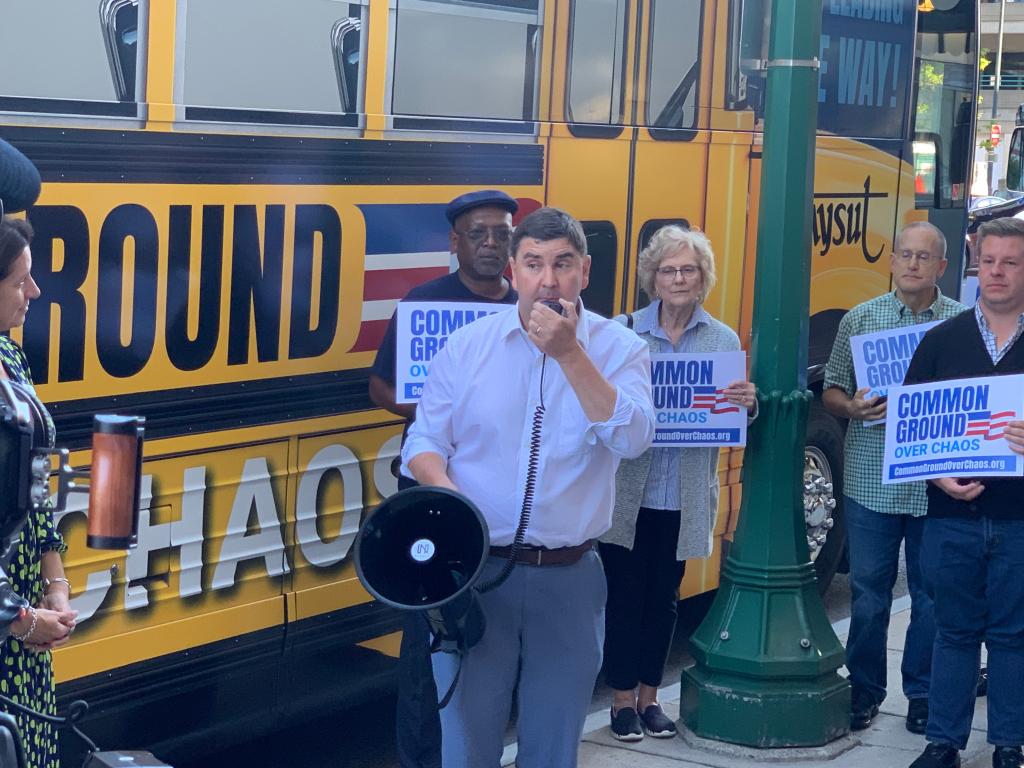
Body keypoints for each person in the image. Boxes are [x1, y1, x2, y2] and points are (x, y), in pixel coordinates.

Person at [401, 207, 654, 768]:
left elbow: (633, 437)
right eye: (534, 264)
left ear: (585, 273)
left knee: (552, 745)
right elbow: (421, 443)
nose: (548, 279)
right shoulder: (468, 347)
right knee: (466, 744)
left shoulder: (620, 349)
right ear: (512, 271)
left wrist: (570, 354)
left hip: (568, 574)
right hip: (475, 574)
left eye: (562, 264)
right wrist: (453, 501)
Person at [367, 190, 519, 768]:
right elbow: (380, 388)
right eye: (477, 233)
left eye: (500, 233)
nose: (489, 243)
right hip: (431, 497)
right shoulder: (422, 304)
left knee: (499, 631)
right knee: (427, 636)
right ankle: (421, 759)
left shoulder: (528, 309)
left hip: (507, 494)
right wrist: (441, 412)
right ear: (454, 243)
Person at [599, 225, 756, 741]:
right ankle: (621, 701)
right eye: (669, 269)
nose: (679, 278)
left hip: (684, 494)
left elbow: (731, 417)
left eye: (688, 269)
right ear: (653, 277)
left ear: (702, 277)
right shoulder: (625, 333)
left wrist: (746, 407)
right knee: (623, 596)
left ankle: (650, 697)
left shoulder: (723, 339)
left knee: (665, 599)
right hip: (629, 493)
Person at [823, 221, 966, 734]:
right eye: (904, 254)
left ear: (941, 268)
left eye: (923, 257)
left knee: (931, 596)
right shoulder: (860, 320)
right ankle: (864, 691)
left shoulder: (962, 322)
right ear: (890, 261)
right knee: (868, 594)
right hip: (870, 480)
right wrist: (854, 409)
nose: (912, 264)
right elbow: (832, 389)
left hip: (936, 484)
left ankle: (922, 695)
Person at [904, 217, 1024, 768]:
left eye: (1011, 262)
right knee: (951, 631)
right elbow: (910, 433)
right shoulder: (940, 341)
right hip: (950, 516)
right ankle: (943, 742)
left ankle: (1008, 743)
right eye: (989, 261)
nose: (996, 272)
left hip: (1020, 519)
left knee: (1012, 637)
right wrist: (936, 475)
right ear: (976, 265)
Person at [0, 216, 78, 768]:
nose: (35, 291)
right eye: (19, 280)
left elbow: (36, 480)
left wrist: (55, 584)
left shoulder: (10, 356)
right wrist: (20, 620)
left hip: (21, 601)